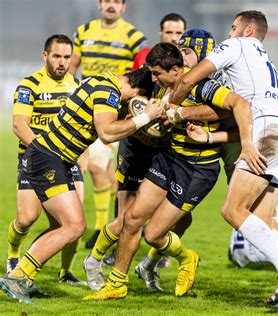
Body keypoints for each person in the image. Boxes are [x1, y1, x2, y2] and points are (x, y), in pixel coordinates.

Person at [82, 42, 269, 301]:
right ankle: (117, 283)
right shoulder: (161, 85)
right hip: (168, 159)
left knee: (153, 234)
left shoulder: (202, 85)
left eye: (158, 74)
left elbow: (237, 105)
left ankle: (186, 257)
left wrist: (185, 115)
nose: (153, 79)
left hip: (196, 171)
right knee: (132, 219)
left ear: (176, 70)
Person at [169, 11, 278, 310]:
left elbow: (191, 78)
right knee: (263, 221)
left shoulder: (236, 46)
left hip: (264, 133)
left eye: (233, 27)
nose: (229, 33)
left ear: (249, 29)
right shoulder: (265, 60)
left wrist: (169, 107)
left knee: (232, 210)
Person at [0, 67, 160, 304]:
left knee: (59, 226)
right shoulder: (108, 91)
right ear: (140, 92)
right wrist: (145, 116)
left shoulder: (103, 82)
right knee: (74, 226)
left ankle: (23, 277)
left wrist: (133, 120)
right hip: (48, 157)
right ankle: (17, 277)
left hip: (52, 157)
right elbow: (106, 132)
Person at [82, 28, 213, 293]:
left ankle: (149, 265)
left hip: (167, 156)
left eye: (181, 36)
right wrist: (142, 116)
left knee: (181, 220)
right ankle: (94, 262)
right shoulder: (151, 70)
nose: (175, 38)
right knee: (127, 219)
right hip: (136, 150)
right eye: (171, 32)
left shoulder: (192, 81)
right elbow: (130, 97)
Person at [7, 34, 85, 288]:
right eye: (56, 56)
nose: (62, 62)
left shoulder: (77, 87)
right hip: (34, 161)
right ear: (45, 56)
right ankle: (13, 254)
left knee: (72, 222)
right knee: (27, 219)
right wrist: (47, 152)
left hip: (68, 163)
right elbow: (20, 126)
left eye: (66, 57)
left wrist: (81, 157)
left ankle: (65, 271)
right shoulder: (29, 85)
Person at [69, 0, 148, 248]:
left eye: (117, 2)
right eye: (107, 1)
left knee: (95, 166)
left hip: (115, 111)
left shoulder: (134, 36)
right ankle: (108, 223)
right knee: (98, 169)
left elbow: (142, 71)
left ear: (124, 7)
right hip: (85, 108)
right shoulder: (83, 32)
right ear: (99, 4)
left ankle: (100, 227)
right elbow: (73, 66)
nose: (111, 5)